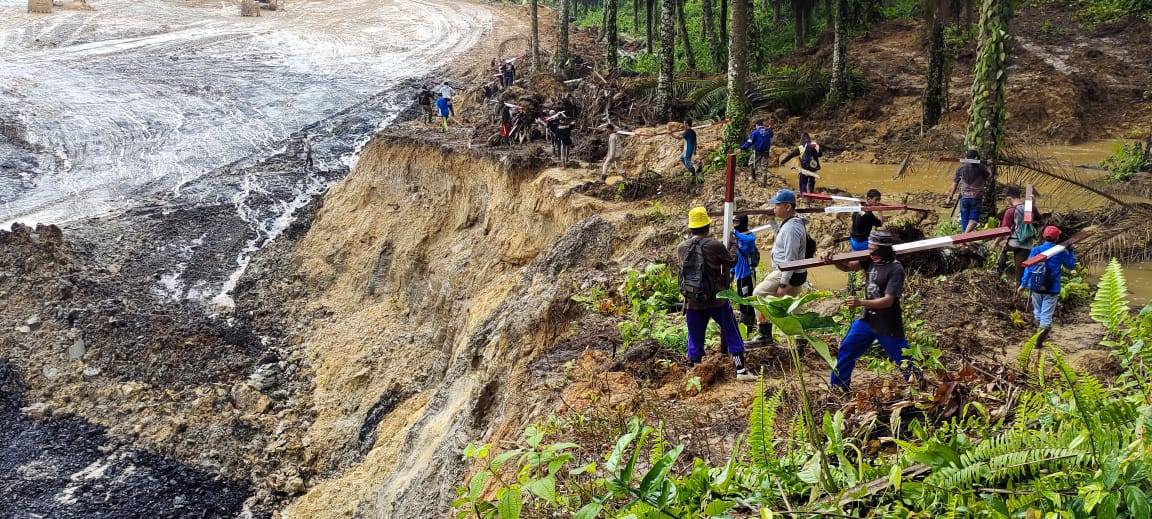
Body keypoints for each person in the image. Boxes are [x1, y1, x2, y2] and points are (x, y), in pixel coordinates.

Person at [825, 230, 920, 390]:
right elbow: (848, 266)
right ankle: (838, 389)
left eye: (873, 249)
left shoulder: (895, 269)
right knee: (847, 349)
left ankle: (919, 388)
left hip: (888, 324)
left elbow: (888, 301)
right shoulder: (870, 259)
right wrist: (832, 259)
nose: (870, 252)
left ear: (884, 250)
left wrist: (861, 302)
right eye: (869, 248)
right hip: (867, 320)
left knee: (904, 359)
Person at [676, 207, 756, 382]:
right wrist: (733, 244)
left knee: (695, 336)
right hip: (717, 299)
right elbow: (731, 260)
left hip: (692, 300)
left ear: (691, 228)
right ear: (707, 226)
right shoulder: (714, 245)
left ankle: (694, 373)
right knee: (731, 330)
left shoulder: (681, 248)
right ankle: (741, 370)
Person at [748, 189, 809, 345]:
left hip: (787, 272)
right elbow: (780, 237)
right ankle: (801, 340)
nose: (774, 207)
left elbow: (790, 258)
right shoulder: (790, 223)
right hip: (796, 273)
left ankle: (764, 333)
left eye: (777, 205)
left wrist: (783, 283)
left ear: (787, 207)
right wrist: (772, 221)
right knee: (794, 306)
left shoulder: (792, 228)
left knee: (758, 294)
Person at [1020, 226, 1076, 348]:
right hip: (1052, 288)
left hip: (1036, 287)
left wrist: (1023, 284)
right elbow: (1071, 266)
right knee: (1046, 316)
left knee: (1038, 312)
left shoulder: (1036, 250)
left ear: (1044, 236)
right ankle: (1038, 342)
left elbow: (1028, 269)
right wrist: (1071, 251)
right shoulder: (1060, 252)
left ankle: (1037, 336)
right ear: (1057, 238)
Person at [999, 185, 1042, 286]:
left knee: (1001, 248)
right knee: (1020, 271)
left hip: (1013, 243)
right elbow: (1039, 222)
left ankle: (999, 271)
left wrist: (996, 243)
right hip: (1026, 244)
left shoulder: (1010, 211)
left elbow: (1004, 230)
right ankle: (1018, 290)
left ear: (1009, 199)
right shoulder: (1030, 209)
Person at [946, 149, 991, 233]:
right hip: (976, 198)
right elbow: (989, 175)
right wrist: (987, 165)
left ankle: (964, 239)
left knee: (965, 220)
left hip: (964, 198)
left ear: (966, 158)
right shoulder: (982, 168)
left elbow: (955, 183)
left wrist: (950, 196)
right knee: (973, 219)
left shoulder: (961, 168)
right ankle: (965, 237)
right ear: (977, 158)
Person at [732, 214, 759, 328]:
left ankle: (747, 322)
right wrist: (732, 270)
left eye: (737, 222)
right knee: (741, 296)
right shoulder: (737, 237)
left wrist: (735, 233)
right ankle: (748, 320)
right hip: (739, 273)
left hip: (746, 273)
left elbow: (749, 240)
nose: (735, 225)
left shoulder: (749, 236)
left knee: (746, 298)